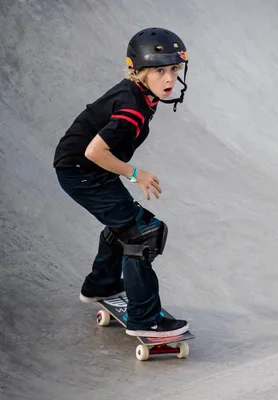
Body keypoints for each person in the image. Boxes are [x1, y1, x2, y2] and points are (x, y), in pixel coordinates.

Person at [53, 27, 190, 338]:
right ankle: (146, 319)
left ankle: (100, 284)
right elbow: (94, 150)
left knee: (128, 223)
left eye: (174, 69)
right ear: (137, 72)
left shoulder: (140, 93)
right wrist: (134, 173)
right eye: (159, 70)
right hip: (81, 171)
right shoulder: (132, 107)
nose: (169, 79)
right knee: (141, 235)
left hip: (87, 168)